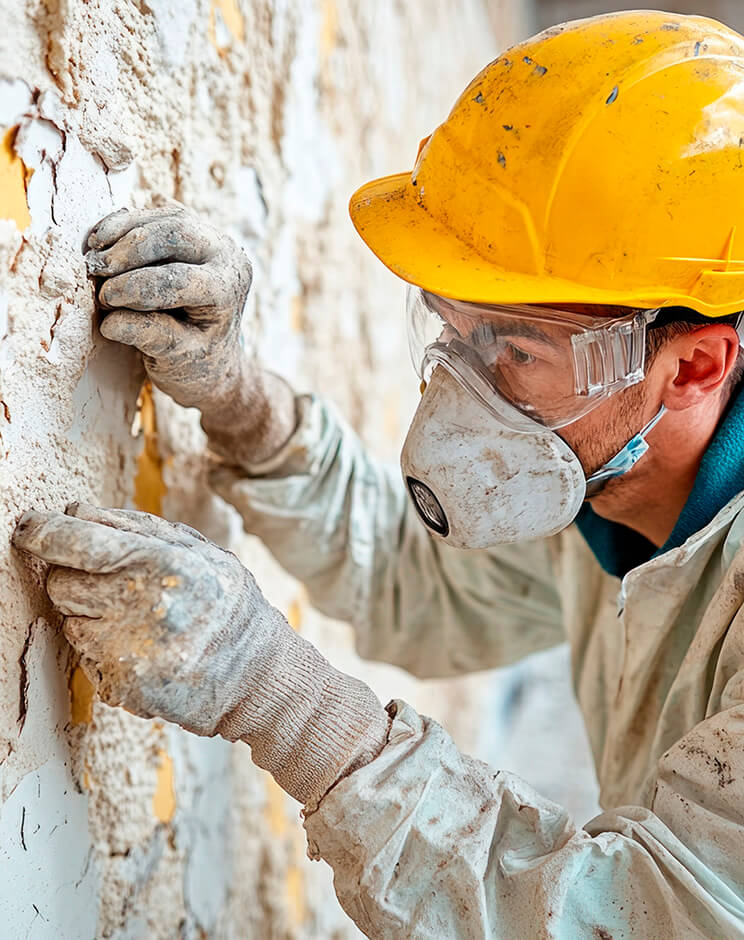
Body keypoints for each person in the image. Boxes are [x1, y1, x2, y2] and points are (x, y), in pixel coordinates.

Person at [13, 10, 744, 937]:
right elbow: (415, 585)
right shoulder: (606, 490)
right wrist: (245, 406)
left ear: (691, 368)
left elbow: (643, 919)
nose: (469, 387)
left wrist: (273, 691)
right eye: (453, 327)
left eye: (515, 348)